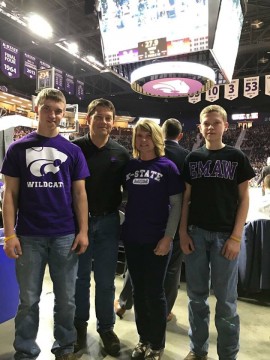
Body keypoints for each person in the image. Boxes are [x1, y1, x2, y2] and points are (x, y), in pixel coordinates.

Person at [1, 88, 89, 360]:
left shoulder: (72, 151)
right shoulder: (18, 149)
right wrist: (10, 234)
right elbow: (10, 195)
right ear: (37, 109)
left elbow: (79, 194)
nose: (53, 115)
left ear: (64, 114)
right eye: (47, 108)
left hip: (64, 235)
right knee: (28, 300)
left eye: (58, 110)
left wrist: (83, 231)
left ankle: (64, 346)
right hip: (29, 235)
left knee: (66, 300)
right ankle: (26, 350)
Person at [179, 104, 255, 360]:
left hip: (225, 238)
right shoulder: (193, 158)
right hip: (196, 234)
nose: (210, 127)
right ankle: (198, 349)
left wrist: (236, 237)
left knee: (226, 302)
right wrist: (183, 233)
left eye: (215, 122)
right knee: (196, 299)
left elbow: (244, 199)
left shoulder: (236, 157)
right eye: (206, 123)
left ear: (225, 126)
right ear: (200, 127)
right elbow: (186, 199)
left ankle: (227, 354)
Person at [122, 119, 185, 359]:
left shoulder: (167, 166)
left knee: (155, 292)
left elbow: (177, 204)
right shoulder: (129, 167)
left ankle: (157, 344)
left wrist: (168, 237)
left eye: (148, 136)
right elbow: (125, 198)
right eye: (139, 136)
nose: (143, 140)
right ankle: (143, 339)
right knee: (138, 291)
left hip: (158, 240)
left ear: (156, 138)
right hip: (133, 238)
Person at [73, 98, 130, 356]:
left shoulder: (121, 154)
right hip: (79, 223)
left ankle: (106, 327)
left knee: (106, 281)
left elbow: (131, 192)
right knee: (80, 279)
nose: (105, 122)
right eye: (99, 117)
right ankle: (79, 325)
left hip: (108, 223)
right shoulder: (74, 149)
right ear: (89, 119)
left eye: (109, 117)